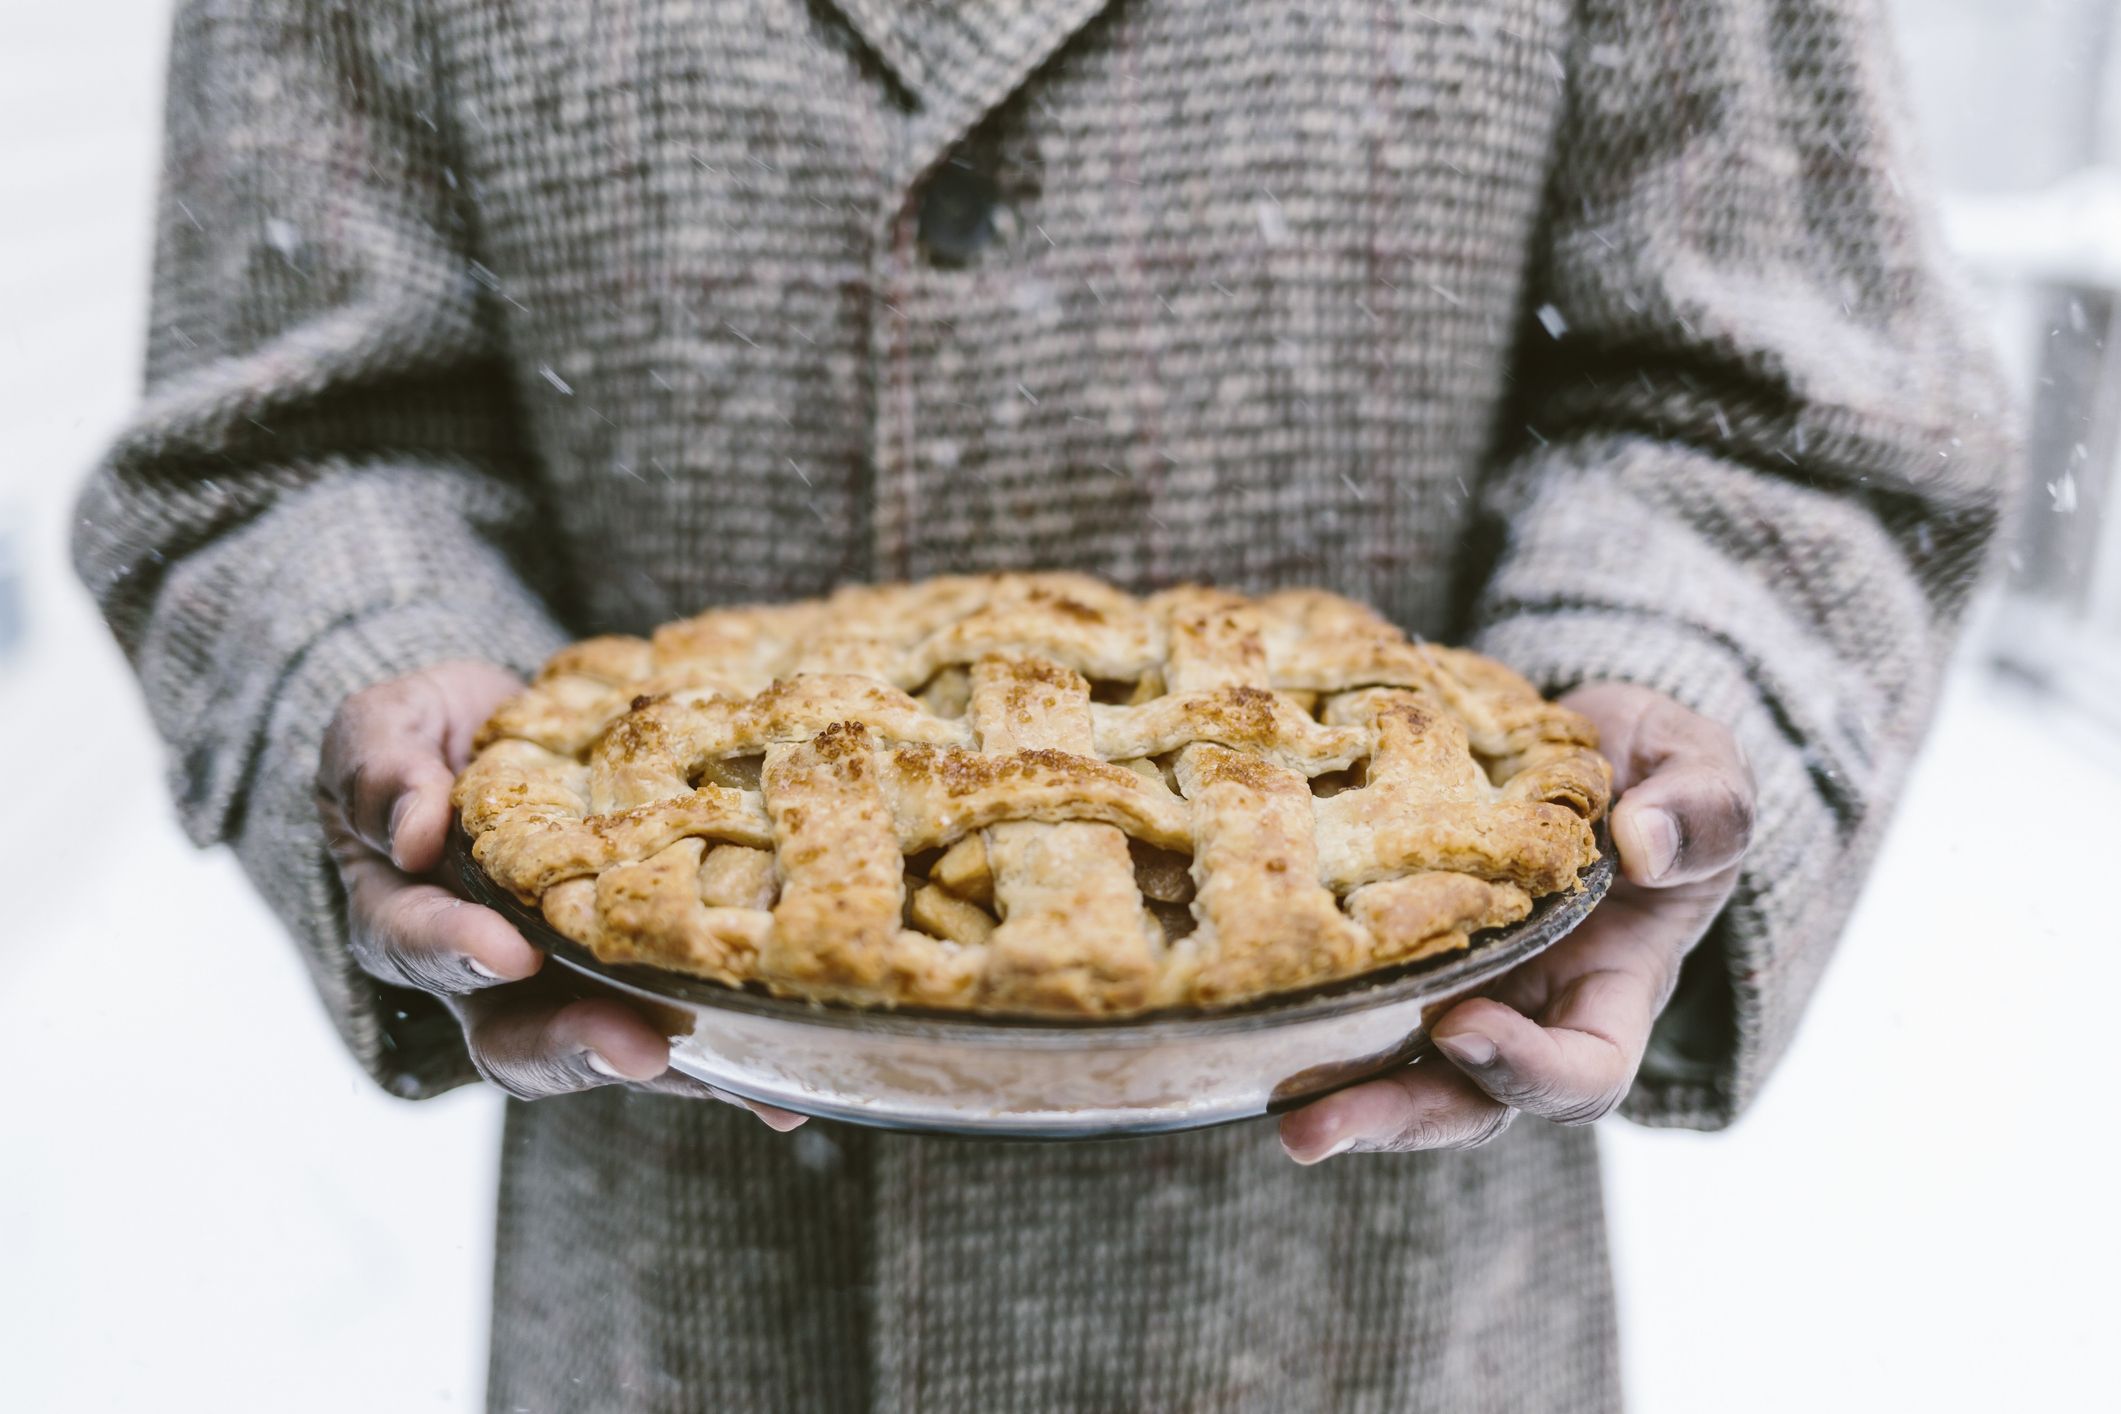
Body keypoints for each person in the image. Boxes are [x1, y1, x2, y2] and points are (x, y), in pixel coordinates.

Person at [75, 0, 2009, 1408]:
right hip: (684, 1269)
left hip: (1380, 1310)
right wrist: (385, 664)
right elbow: (291, 450)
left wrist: (1655, 683)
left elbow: (1775, 416)